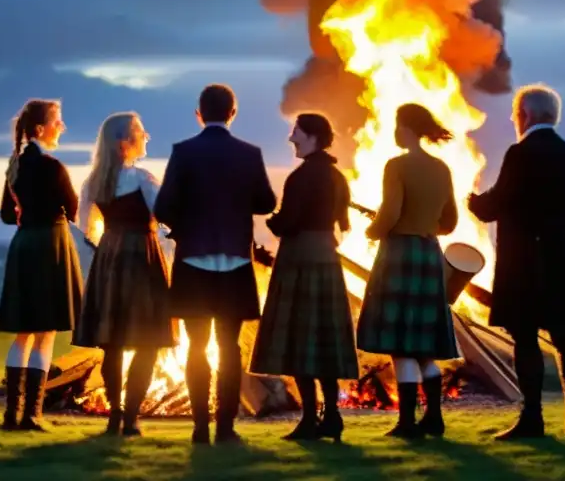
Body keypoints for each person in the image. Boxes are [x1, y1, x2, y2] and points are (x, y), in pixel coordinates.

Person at [468, 83, 565, 440]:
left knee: (525, 338)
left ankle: (533, 419)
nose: (514, 120)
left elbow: (494, 206)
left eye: (515, 115)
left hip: (526, 260)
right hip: (564, 256)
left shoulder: (520, 154)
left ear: (524, 116)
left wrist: (472, 199)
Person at [154, 84, 277, 445]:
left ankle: (199, 428)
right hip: (236, 264)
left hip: (192, 262)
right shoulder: (249, 153)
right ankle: (226, 428)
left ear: (199, 113)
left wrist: (183, 226)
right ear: (233, 113)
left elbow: (162, 207)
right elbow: (266, 202)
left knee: (195, 347)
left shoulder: (183, 152)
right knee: (229, 348)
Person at [249, 113, 359, 442]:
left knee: (299, 341)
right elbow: (344, 222)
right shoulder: (338, 177)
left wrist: (271, 223)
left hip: (300, 258)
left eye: (295, 131)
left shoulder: (300, 178)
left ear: (311, 135)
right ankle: (332, 416)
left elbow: (288, 223)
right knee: (323, 342)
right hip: (327, 256)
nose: (291, 138)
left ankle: (311, 418)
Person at [355, 103, 460, 439]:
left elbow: (390, 213)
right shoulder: (442, 168)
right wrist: (425, 224)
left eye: (397, 125)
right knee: (424, 347)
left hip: (399, 253)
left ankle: (406, 424)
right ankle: (434, 418)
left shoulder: (396, 165)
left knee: (400, 345)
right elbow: (451, 222)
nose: (394, 132)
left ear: (407, 129)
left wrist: (372, 231)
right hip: (429, 254)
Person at [73, 112, 178, 437]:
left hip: (110, 256)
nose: (146, 136)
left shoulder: (94, 181)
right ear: (124, 142)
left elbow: (84, 228)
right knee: (147, 341)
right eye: (140, 132)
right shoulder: (143, 180)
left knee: (113, 341)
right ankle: (131, 416)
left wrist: (107, 246)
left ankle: (116, 415)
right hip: (142, 257)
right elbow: (168, 215)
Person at [0, 99, 84, 432]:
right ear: (40, 129)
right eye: (58, 121)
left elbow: (6, 215)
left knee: (23, 335)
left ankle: (10, 415)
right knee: (45, 335)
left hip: (24, 245)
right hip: (51, 246)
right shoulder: (53, 167)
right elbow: (75, 211)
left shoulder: (15, 165)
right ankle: (32, 415)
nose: (62, 127)